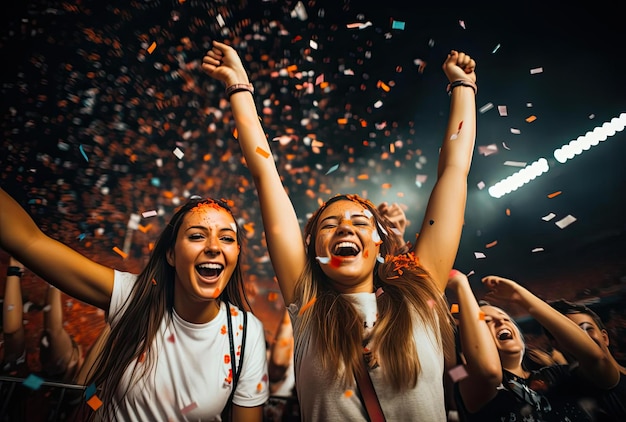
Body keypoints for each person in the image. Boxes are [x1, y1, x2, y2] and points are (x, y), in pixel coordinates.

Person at [202, 40, 477, 420]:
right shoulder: (307, 305)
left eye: (360, 222)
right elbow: (265, 173)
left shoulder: (418, 295)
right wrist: (239, 87)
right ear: (312, 246)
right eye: (329, 224)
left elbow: (454, 172)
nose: (345, 226)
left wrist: (463, 87)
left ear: (380, 242)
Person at [0, 190, 269, 421]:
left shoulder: (246, 333)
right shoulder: (134, 297)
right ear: (171, 255)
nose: (213, 247)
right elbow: (27, 241)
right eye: (197, 236)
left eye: (226, 238)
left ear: (236, 254)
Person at [447, 271, 620, 421]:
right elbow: (485, 371)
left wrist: (521, 296)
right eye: (487, 322)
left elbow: (598, 360)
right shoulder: (467, 380)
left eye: (506, 318)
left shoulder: (557, 374)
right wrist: (462, 285)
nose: (501, 320)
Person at [548, 299, 626, 421]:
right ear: (556, 345)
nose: (582, 337)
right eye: (570, 334)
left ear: (604, 337)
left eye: (587, 328)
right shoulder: (561, 394)